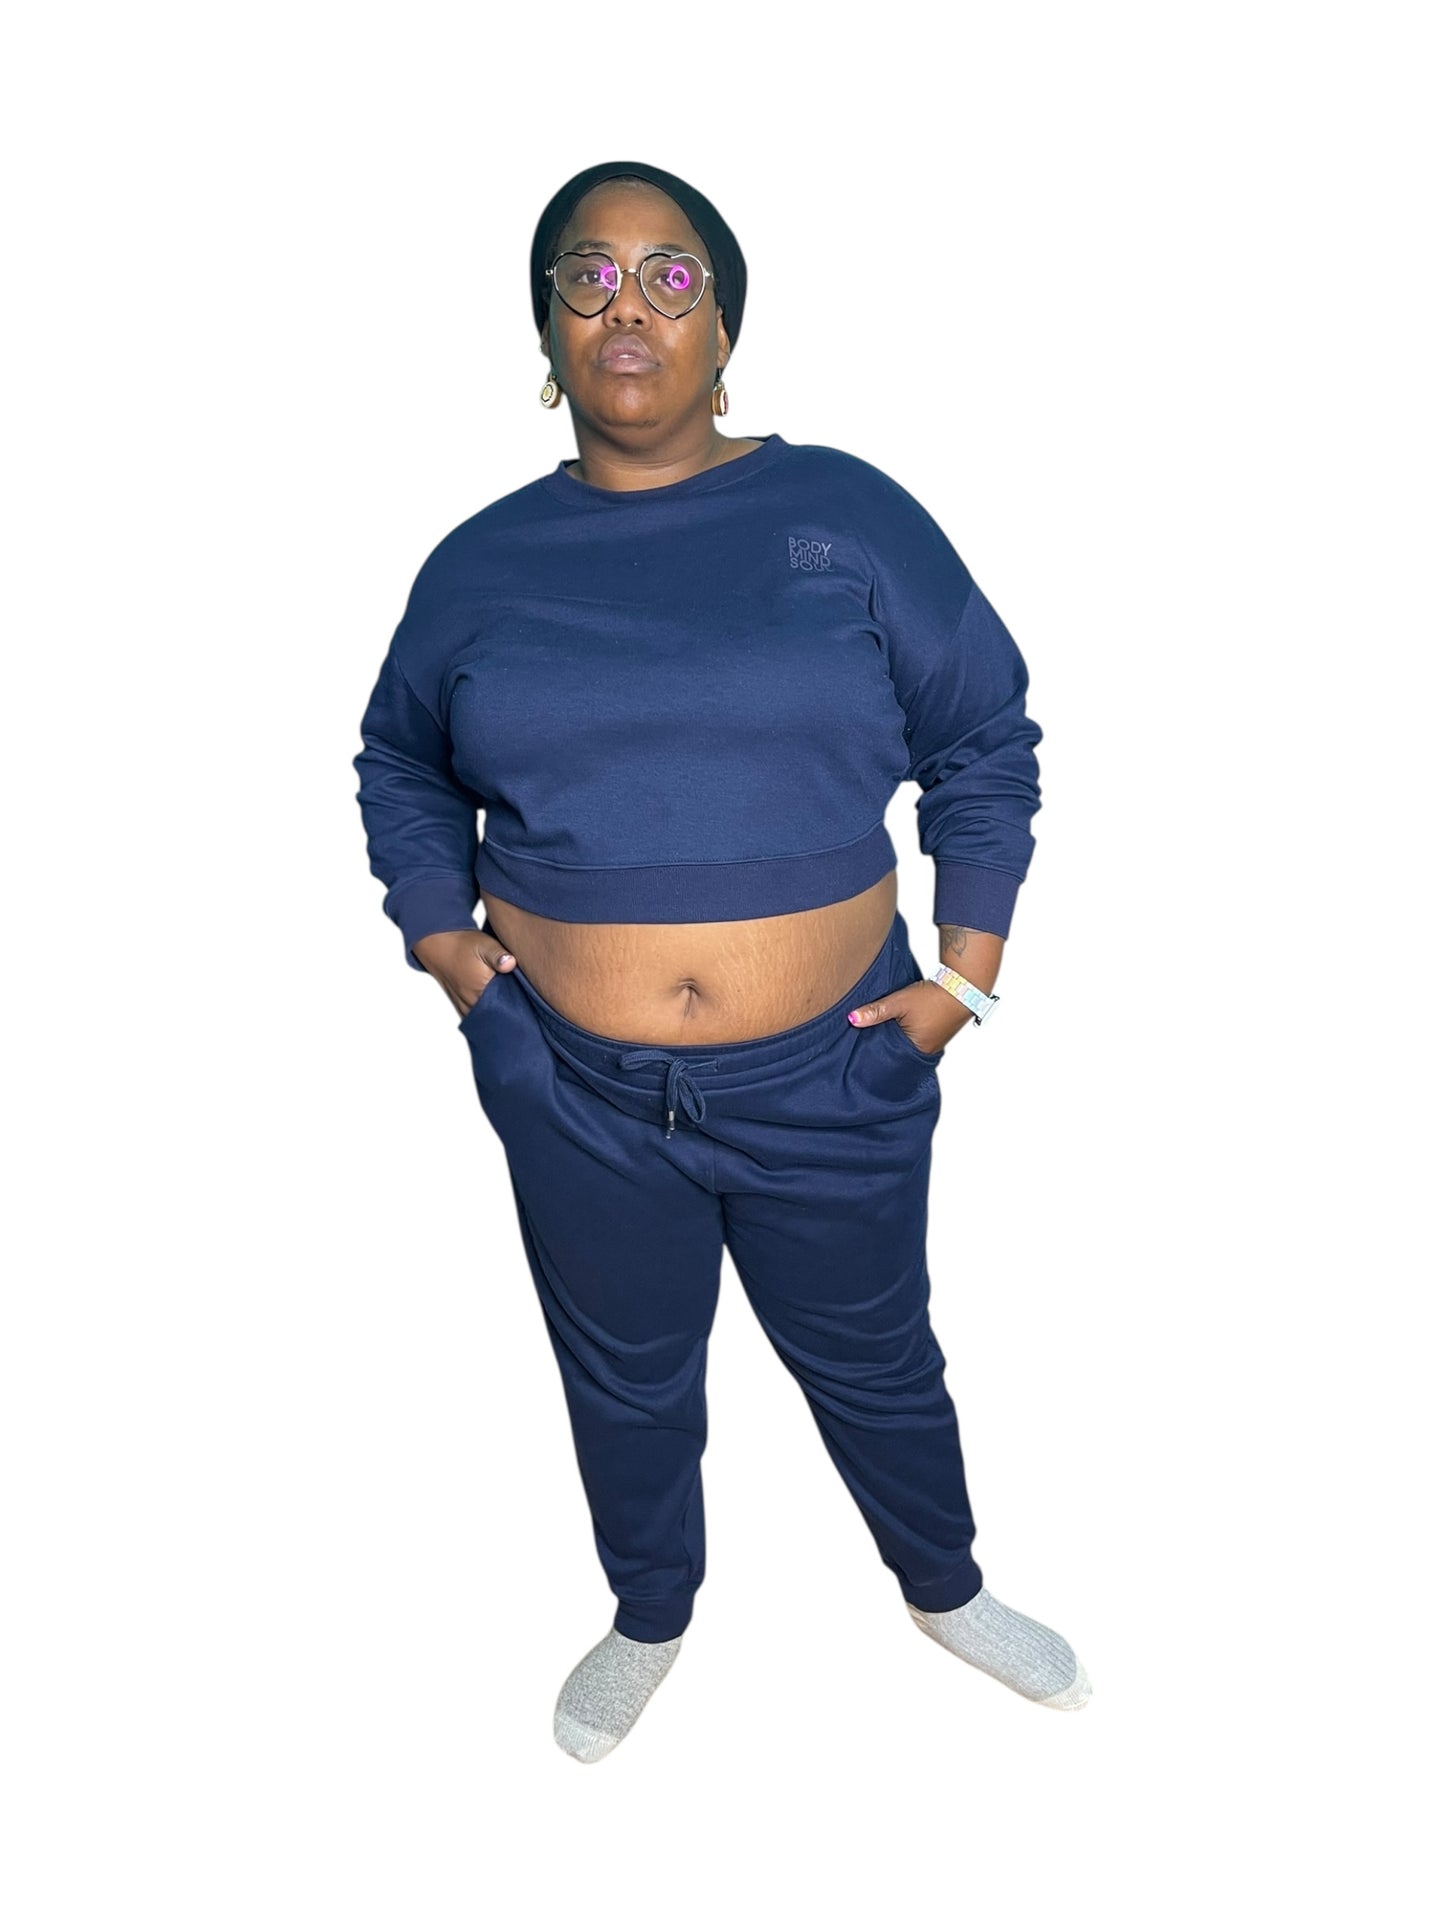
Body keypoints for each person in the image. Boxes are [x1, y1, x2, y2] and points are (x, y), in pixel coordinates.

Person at [352, 159, 1091, 1764]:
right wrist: (450, 954)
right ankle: (650, 1611)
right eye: (588, 275)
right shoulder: (477, 563)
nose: (628, 305)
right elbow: (399, 760)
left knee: (875, 1356)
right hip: (572, 1080)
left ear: (724, 328)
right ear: (548, 330)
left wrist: (960, 981)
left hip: (836, 1065)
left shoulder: (845, 516)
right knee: (622, 1373)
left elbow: (981, 735)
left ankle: (943, 1587)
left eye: (671, 277)